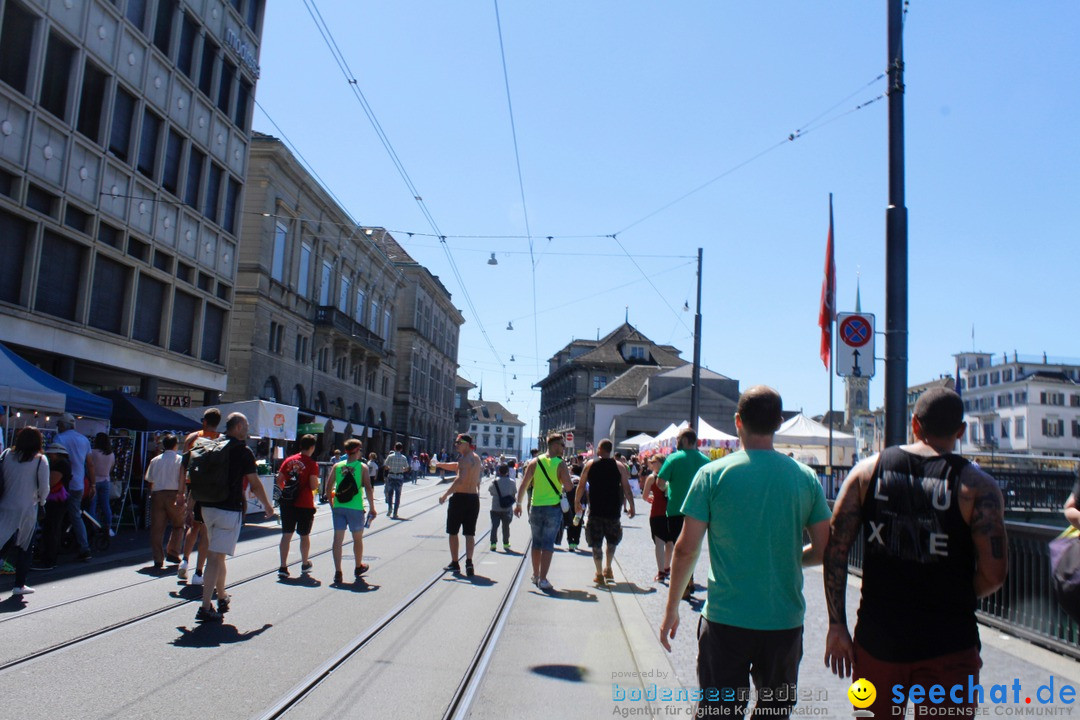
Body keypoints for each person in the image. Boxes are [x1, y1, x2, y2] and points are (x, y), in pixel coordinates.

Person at [823, 387, 1007, 719]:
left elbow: (835, 551)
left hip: (879, 639)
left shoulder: (867, 472)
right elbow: (994, 574)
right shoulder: (977, 487)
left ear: (914, 424)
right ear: (960, 431)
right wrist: (958, 593)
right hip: (950, 642)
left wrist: (837, 625)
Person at [660, 386, 831, 719]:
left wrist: (671, 609)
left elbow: (685, 549)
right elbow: (825, 549)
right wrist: (790, 558)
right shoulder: (805, 478)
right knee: (774, 713)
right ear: (778, 423)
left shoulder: (712, 474)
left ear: (738, 421)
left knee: (719, 712)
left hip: (726, 620)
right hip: (783, 621)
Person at [195, 413, 273, 623]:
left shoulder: (211, 445)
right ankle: (204, 606)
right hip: (228, 509)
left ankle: (221, 596)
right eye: (246, 425)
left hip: (207, 507)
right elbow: (255, 484)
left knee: (218, 556)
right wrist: (268, 505)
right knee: (214, 557)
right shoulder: (243, 451)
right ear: (237, 427)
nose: (247, 429)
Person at [657, 426, 710, 599]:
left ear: (686, 440)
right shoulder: (706, 461)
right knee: (693, 546)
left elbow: (660, 482)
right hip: (699, 512)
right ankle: (691, 579)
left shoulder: (673, 458)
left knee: (679, 548)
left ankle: (685, 585)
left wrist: (667, 490)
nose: (676, 441)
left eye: (678, 438)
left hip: (676, 509)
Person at [515, 434, 573, 591]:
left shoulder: (535, 462)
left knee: (536, 542)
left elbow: (524, 484)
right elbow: (568, 487)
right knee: (547, 544)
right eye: (562, 445)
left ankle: (535, 575)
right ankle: (543, 578)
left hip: (536, 507)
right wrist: (563, 484)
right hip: (553, 508)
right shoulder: (560, 464)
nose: (563, 448)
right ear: (554, 445)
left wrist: (519, 504)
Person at [576, 439, 635, 585]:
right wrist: (632, 506)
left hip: (596, 509)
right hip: (613, 509)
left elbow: (581, 484)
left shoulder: (590, 465)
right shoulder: (620, 466)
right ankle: (608, 568)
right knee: (612, 540)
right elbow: (627, 488)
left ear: (600, 449)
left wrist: (577, 502)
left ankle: (598, 572)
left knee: (596, 542)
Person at [0, 428, 50, 595]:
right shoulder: (40, 460)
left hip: (5, 505)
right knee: (25, 547)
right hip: (28, 508)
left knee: (2, 543)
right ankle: (19, 585)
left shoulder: (7, 454)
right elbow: (44, 487)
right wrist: (42, 501)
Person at [181, 408, 221, 584]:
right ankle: (198, 573)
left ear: (204, 421)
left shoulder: (192, 438)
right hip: (210, 490)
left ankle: (184, 561)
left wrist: (180, 492)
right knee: (205, 531)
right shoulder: (220, 440)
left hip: (192, 487)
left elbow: (183, 465)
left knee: (193, 526)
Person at [329, 439, 376, 585]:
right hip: (355, 508)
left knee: (337, 540)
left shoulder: (337, 466)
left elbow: (328, 487)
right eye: (360, 450)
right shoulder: (362, 467)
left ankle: (338, 572)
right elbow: (368, 488)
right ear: (356, 450)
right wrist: (372, 507)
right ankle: (358, 566)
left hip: (339, 506)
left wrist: (333, 506)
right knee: (357, 539)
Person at [435, 434, 482, 576]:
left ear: (466, 444)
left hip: (460, 498)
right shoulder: (475, 458)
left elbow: (460, 479)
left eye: (458, 442)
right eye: (455, 442)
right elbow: (458, 467)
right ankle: (469, 563)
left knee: (453, 532)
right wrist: (439, 464)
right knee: (469, 533)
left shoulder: (463, 459)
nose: (456, 445)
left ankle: (455, 563)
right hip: (473, 498)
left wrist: (445, 495)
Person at [276, 434, 320, 578]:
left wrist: (287, 492)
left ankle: (283, 566)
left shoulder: (289, 460)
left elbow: (279, 480)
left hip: (288, 503)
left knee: (286, 535)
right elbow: (313, 485)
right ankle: (305, 563)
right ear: (312, 447)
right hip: (305, 503)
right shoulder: (312, 464)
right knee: (304, 535)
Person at [145, 434, 186, 571]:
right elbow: (183, 479)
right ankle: (173, 551)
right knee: (179, 525)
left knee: (157, 528)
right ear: (176, 445)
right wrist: (182, 494)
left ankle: (158, 558)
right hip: (174, 494)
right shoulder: (180, 460)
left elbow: (149, 479)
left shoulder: (155, 460)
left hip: (157, 494)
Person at [55, 414, 93, 562]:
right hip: (78, 483)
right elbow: (90, 463)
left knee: (56, 516)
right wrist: (93, 483)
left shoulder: (60, 438)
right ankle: (84, 546)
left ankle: (54, 546)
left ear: (63, 425)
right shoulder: (84, 439)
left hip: (61, 484)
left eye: (59, 424)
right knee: (76, 516)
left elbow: (56, 461)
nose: (58, 427)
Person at [34, 443, 72, 571]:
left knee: (52, 529)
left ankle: (49, 559)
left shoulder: (61, 465)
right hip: (57, 500)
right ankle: (48, 556)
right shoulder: (63, 463)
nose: (49, 455)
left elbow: (51, 481)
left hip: (57, 500)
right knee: (51, 528)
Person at [641, 454, 674, 582]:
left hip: (659, 512)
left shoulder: (653, 477)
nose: (651, 464)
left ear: (660, 462)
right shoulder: (668, 476)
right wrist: (651, 499)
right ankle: (664, 569)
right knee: (665, 542)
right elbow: (645, 496)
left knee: (666, 543)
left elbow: (645, 496)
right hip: (665, 512)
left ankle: (664, 569)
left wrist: (651, 499)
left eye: (653, 462)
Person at [89, 433, 116, 538]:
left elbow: (89, 465)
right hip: (106, 480)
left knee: (92, 505)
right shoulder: (111, 454)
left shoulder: (93, 452)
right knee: (105, 505)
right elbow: (111, 468)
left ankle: (94, 526)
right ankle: (108, 527)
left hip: (94, 480)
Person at [488, 463, 517, 551]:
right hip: (506, 508)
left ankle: (493, 543)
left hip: (495, 507)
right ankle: (506, 543)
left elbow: (491, 492)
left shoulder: (494, 481)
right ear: (507, 472)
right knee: (506, 526)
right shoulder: (512, 482)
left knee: (494, 526)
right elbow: (513, 493)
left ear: (499, 471)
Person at [383, 442, 410, 519]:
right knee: (398, 496)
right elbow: (407, 468)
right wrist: (402, 470)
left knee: (390, 494)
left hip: (391, 476)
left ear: (394, 448)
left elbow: (385, 466)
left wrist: (389, 468)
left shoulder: (390, 456)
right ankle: (395, 513)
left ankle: (389, 509)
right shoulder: (404, 457)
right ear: (401, 449)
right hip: (399, 477)